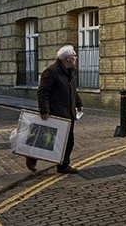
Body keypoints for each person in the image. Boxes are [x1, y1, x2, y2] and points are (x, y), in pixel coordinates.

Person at [26, 45, 83, 173]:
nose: (76, 58)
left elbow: (72, 90)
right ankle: (32, 156)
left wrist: (78, 103)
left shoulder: (70, 71)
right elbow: (42, 92)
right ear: (68, 58)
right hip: (56, 112)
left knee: (68, 141)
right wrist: (44, 111)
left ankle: (63, 166)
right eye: (74, 56)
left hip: (68, 111)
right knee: (46, 139)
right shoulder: (51, 71)